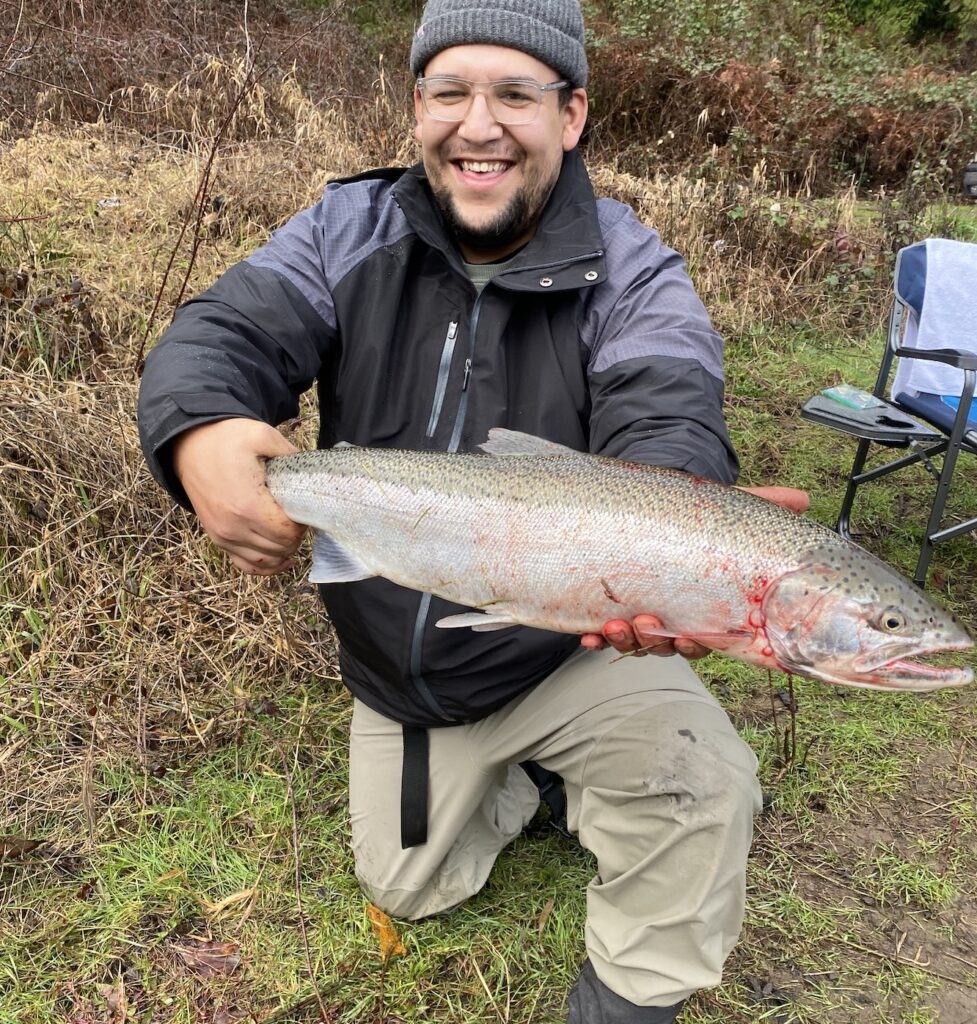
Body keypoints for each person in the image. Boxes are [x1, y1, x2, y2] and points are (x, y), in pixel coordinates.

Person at [138, 1, 808, 1020]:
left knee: (702, 781)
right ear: (417, 108)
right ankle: (531, 783)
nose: (478, 124)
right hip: (404, 670)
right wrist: (202, 434)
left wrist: (677, 540)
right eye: (449, 92)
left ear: (571, 115)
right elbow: (220, 332)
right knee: (407, 882)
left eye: (514, 94)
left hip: (572, 645)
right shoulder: (343, 228)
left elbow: (668, 414)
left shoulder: (636, 272)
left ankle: (629, 993)